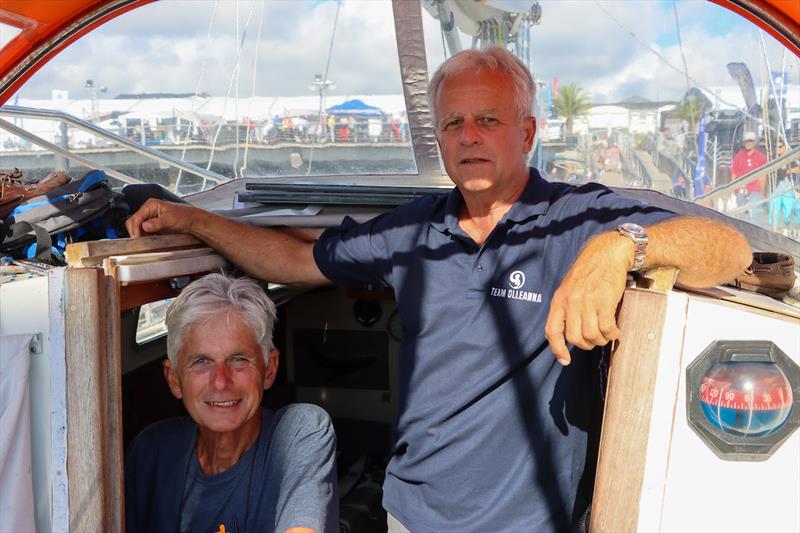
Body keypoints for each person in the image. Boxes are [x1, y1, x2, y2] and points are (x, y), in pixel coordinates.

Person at [126, 47, 751, 532]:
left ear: (527, 133)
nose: (469, 136)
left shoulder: (577, 220)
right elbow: (295, 261)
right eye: (453, 123)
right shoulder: (414, 229)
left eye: (487, 119)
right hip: (412, 513)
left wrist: (621, 247)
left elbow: (731, 249)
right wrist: (191, 220)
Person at [125, 273, 338, 533]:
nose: (221, 382)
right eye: (201, 361)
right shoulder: (152, 450)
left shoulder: (300, 431)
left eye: (239, 359)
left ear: (269, 369)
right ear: (174, 380)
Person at [731, 131, 768, 203]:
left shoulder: (761, 157)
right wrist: (732, 190)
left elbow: (762, 176)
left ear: (755, 142)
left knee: (755, 212)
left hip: (755, 191)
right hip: (740, 190)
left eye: (750, 141)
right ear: (743, 143)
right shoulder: (739, 156)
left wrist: (762, 192)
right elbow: (733, 173)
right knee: (740, 212)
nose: (748, 143)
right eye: (746, 141)